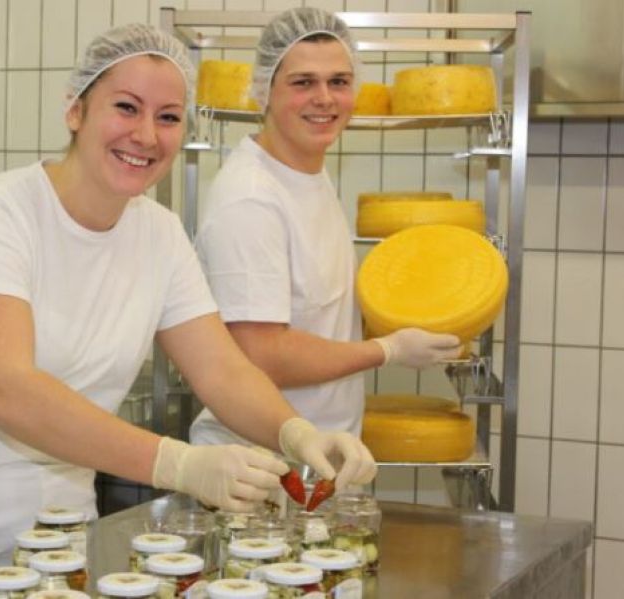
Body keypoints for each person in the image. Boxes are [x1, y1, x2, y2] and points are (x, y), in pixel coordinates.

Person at [0, 23, 375, 574]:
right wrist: (178, 464)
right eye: (126, 108)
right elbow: (4, 390)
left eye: (168, 117)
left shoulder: (160, 234)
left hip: (54, 539)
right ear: (76, 110)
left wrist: (297, 434)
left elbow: (221, 370)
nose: (146, 135)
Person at [190, 8, 463, 447]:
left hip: (318, 452)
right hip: (260, 460)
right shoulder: (251, 198)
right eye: (303, 83)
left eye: (339, 81)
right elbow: (262, 354)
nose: (325, 98)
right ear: (265, 91)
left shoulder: (308, 174)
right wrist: (388, 350)